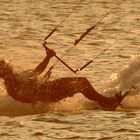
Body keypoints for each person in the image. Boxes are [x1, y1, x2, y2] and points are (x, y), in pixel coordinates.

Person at [0, 44, 129, 111]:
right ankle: (106, 102)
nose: (10, 66)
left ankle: (104, 102)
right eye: (6, 66)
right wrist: (35, 97)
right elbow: (21, 97)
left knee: (82, 82)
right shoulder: (11, 86)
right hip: (49, 93)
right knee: (81, 83)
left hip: (49, 87)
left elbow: (37, 71)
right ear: (3, 72)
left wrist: (48, 57)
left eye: (7, 64)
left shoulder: (17, 76)